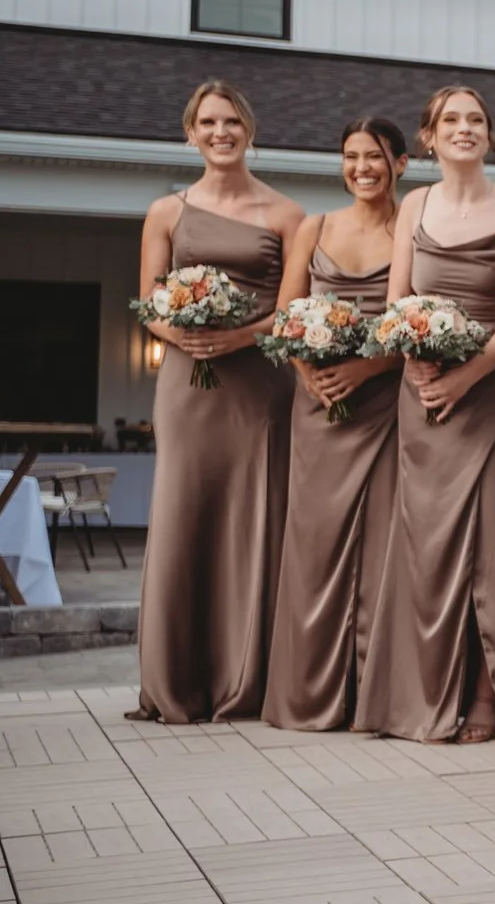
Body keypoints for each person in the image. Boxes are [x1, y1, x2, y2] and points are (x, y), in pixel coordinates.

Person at [358, 88, 495, 743]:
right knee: (429, 550)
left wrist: (465, 376)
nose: (464, 129)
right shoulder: (415, 205)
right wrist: (414, 361)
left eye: (476, 120)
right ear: (429, 138)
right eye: (451, 120)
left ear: (491, 138)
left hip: (493, 395)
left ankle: (494, 699)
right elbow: (397, 298)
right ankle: (427, 694)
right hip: (425, 399)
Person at [131, 80, 303, 723]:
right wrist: (185, 333)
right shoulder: (166, 212)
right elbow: (149, 300)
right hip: (186, 385)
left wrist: (235, 334)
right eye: (208, 122)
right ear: (190, 133)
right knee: (183, 511)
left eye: (231, 121)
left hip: (258, 387)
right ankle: (175, 679)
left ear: (249, 130)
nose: (220, 131)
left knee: (253, 516)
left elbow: (289, 312)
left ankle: (245, 678)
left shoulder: (287, 215)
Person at [263, 117, 410, 731]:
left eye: (374, 156)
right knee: (315, 545)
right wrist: (311, 372)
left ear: (400, 163)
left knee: (381, 547)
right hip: (319, 403)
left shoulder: (413, 226)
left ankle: (370, 696)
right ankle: (308, 693)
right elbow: (284, 314)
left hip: (385, 402)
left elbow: (421, 317)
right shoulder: (313, 228)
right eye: (351, 157)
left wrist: (367, 369)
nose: (362, 168)